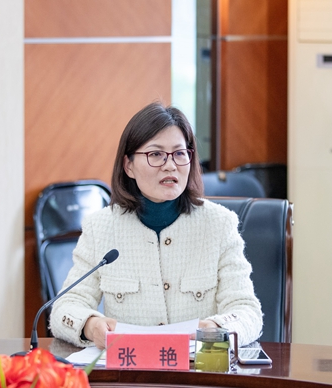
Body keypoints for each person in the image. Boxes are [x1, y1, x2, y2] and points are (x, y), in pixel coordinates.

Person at [49, 101, 263, 349]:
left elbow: (247, 311)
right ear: (129, 166)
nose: (170, 165)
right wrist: (90, 324)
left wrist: (217, 328)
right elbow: (64, 308)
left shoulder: (219, 224)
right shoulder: (101, 227)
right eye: (156, 154)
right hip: (131, 368)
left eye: (179, 154)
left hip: (198, 368)